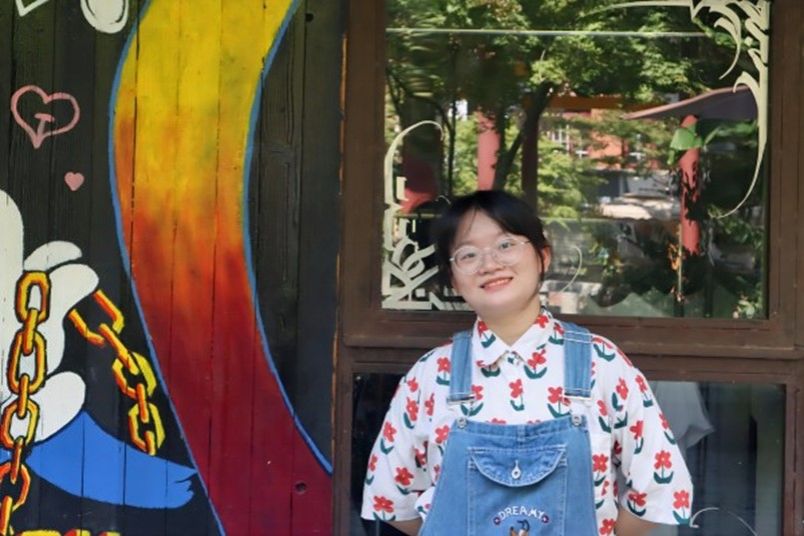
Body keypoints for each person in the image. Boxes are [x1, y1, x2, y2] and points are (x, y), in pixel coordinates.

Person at [361, 190, 693, 535]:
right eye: (468, 254)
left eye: (505, 245)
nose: (490, 263)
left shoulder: (602, 363)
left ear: (542, 256)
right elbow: (390, 498)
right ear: (454, 279)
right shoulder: (431, 375)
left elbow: (660, 489)